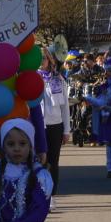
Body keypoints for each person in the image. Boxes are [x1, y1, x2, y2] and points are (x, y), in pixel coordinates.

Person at [38, 50, 71, 192]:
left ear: (50, 60)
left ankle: (51, 194)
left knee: (53, 161)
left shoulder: (58, 79)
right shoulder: (31, 78)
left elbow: (65, 107)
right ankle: (40, 191)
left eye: (44, 58)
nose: (42, 61)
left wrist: (66, 130)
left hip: (55, 126)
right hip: (38, 125)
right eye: (39, 58)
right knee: (40, 161)